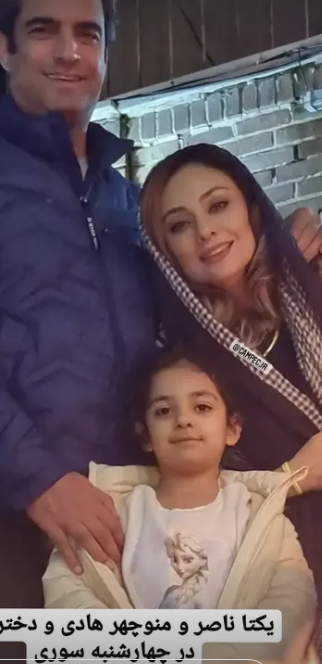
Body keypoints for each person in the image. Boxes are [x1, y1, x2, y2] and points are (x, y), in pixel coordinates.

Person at [0, 0, 320, 659]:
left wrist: (280, 253)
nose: (69, 51)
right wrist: (39, 480)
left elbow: (183, 338)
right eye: (44, 30)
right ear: (5, 47)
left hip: (118, 532)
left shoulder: (124, 204)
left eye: (87, 34)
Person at [139, 142, 322, 629]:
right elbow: (202, 495)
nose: (206, 231)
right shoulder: (186, 368)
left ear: (252, 210)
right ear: (165, 252)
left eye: (218, 205)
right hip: (292, 570)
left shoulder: (313, 280)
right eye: (179, 225)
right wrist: (292, 476)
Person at [43, 348, 318, 664]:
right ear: (145, 436)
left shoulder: (261, 516)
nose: (183, 420)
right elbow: (67, 592)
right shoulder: (110, 511)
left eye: (202, 407)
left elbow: (293, 601)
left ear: (232, 429)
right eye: (163, 411)